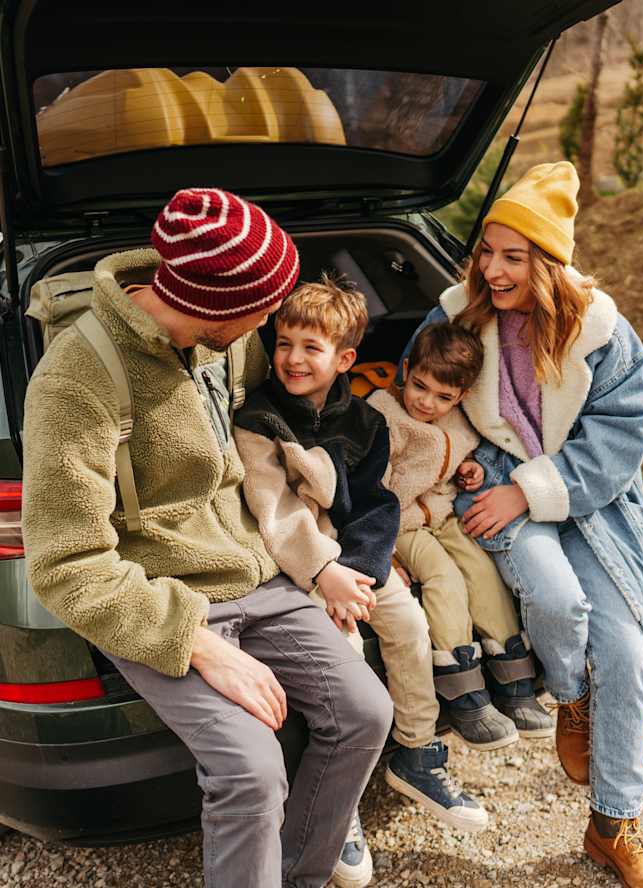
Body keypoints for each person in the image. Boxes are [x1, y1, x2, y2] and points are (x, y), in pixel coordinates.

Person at [21, 187, 393, 888]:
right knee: (250, 773)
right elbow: (66, 564)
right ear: (219, 306)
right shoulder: (77, 380)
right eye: (265, 312)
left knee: (366, 713)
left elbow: (284, 422)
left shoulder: (227, 344)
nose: (272, 327)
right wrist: (198, 644)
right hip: (162, 601)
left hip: (257, 574)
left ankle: (298, 875)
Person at [400, 162, 643, 888]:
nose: (492, 269)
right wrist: (461, 472)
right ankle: (572, 698)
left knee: (622, 649)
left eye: (512, 257)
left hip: (589, 504)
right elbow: (425, 401)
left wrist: (533, 491)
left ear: (548, 263)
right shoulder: (456, 315)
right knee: (556, 604)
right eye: (486, 252)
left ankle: (615, 825)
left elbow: (621, 436)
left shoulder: (604, 333)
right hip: (491, 492)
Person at [233, 278, 489, 886]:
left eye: (311, 348)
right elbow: (276, 511)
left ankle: (416, 752)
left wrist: (368, 570)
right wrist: (327, 575)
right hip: (301, 565)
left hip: (356, 561)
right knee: (344, 658)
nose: (294, 358)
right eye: (285, 343)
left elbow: (377, 505)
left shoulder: (364, 420)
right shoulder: (258, 417)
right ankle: (338, 805)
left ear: (345, 359)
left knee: (409, 624)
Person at [366, 321, 554, 749]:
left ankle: (514, 678)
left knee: (481, 571)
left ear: (462, 395)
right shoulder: (384, 414)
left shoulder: (459, 419)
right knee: (444, 580)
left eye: (443, 396)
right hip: (400, 523)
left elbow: (458, 458)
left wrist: (472, 471)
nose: (427, 402)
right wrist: (383, 549)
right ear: (407, 369)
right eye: (420, 386)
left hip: (444, 513)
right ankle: (462, 689)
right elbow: (373, 488)